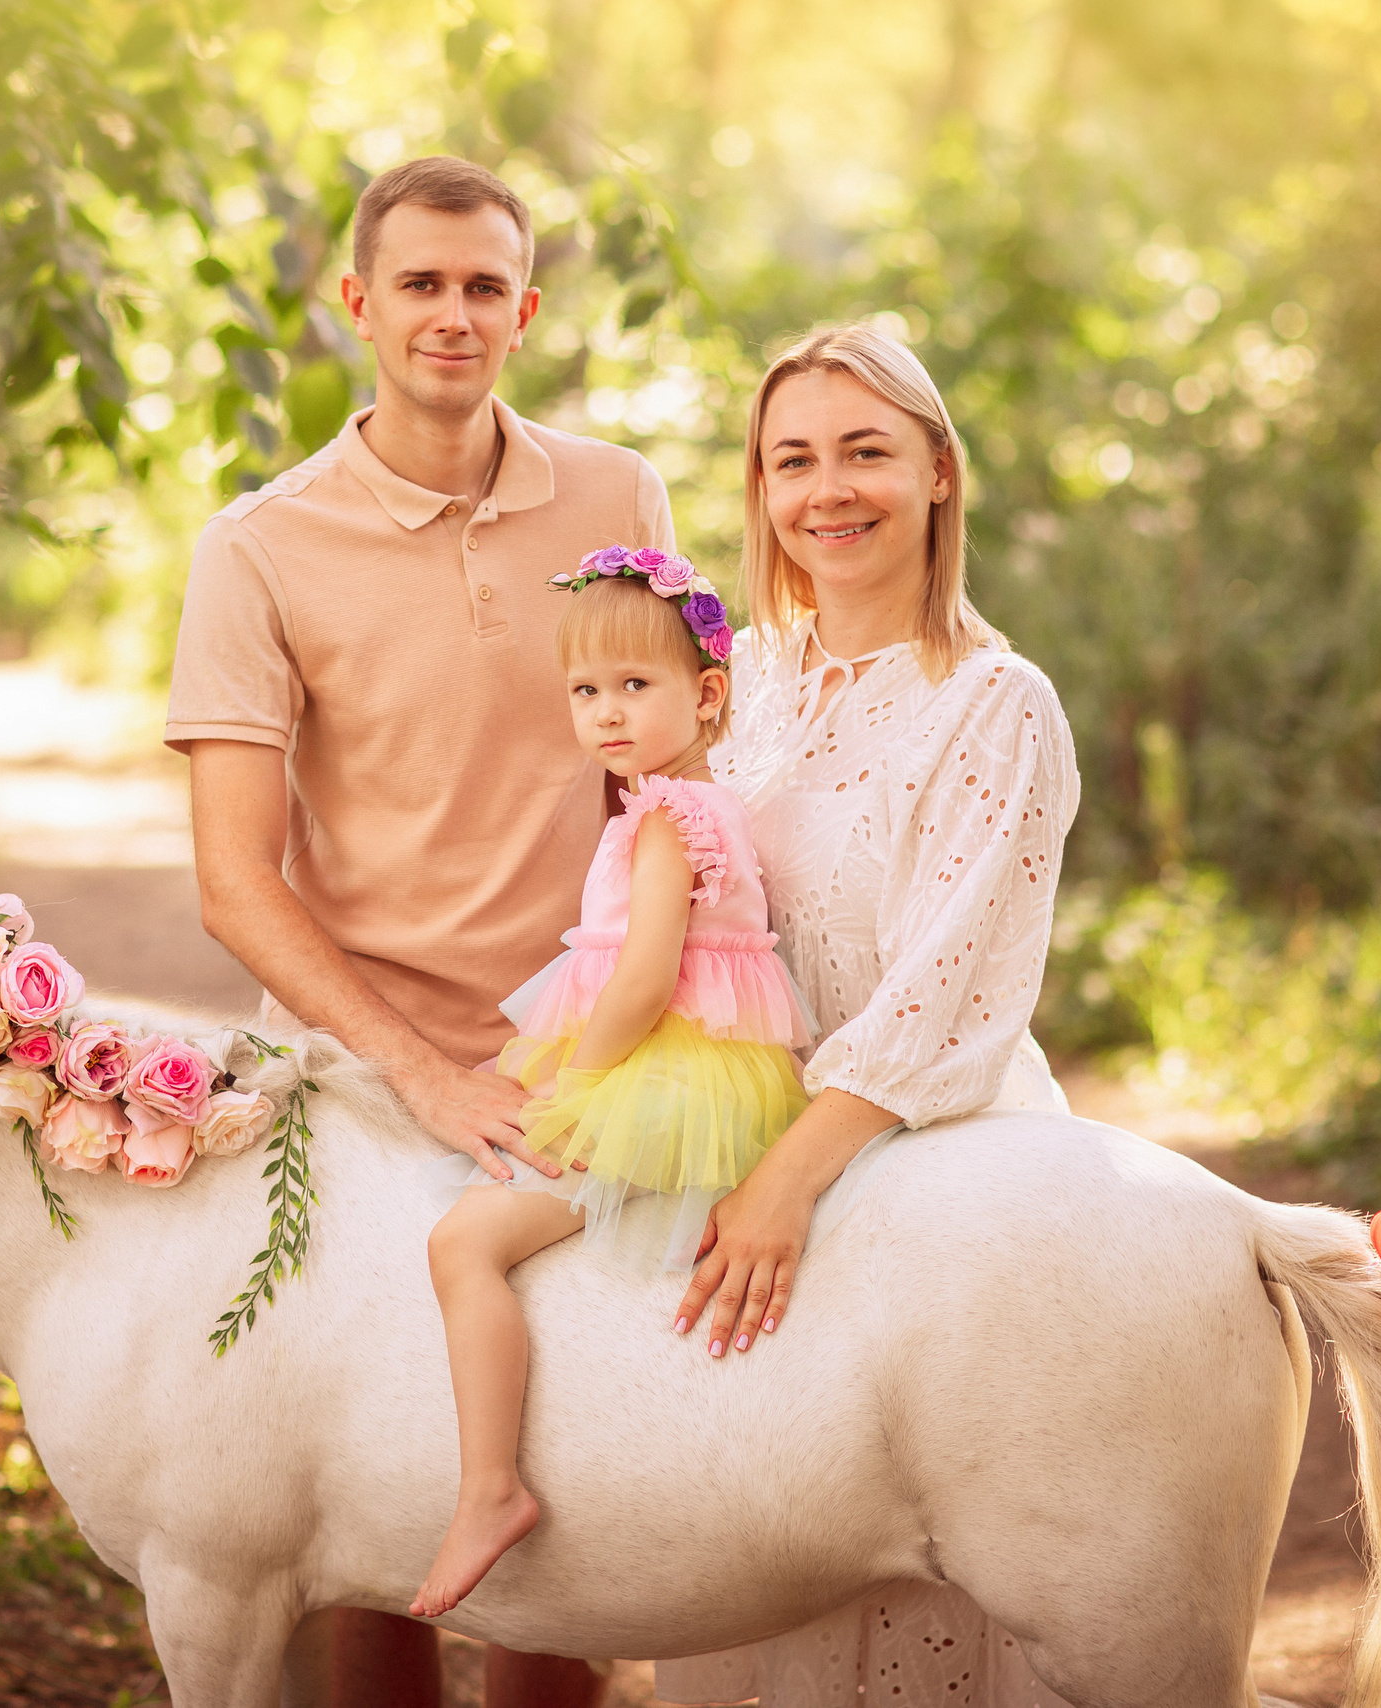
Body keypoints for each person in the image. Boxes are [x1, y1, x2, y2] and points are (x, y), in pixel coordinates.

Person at [167, 154, 671, 1708]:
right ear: (357, 305)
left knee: (564, 1543)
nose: (450, 315)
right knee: (362, 1540)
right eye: (419, 285)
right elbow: (235, 880)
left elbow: (671, 769)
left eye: (481, 288)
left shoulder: (616, 497)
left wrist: (633, 1032)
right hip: (366, 1091)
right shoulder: (256, 547)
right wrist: (428, 1078)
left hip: (593, 1069)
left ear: (525, 310)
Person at [654, 320, 1083, 1706]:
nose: (827, 489)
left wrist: (787, 1178)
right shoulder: (744, 683)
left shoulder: (994, 704)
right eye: (793, 461)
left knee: (933, 1569)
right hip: (742, 1142)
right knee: (740, 1556)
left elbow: (943, 988)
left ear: (940, 472)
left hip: (925, 1147)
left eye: (865, 452)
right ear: (762, 489)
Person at [410, 556, 813, 1622]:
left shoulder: (662, 820)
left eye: (634, 687)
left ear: (707, 696)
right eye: (586, 692)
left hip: (666, 1077)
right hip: (689, 1065)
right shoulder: (699, 806)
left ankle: (490, 1487)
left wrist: (579, 1083)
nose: (605, 713)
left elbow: (641, 978)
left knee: (463, 1242)